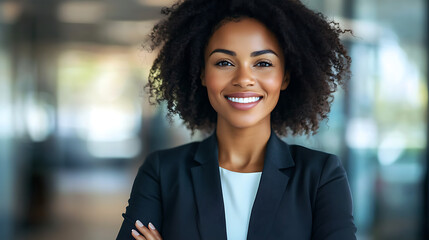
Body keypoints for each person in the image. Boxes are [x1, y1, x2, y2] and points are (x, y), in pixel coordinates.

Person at [116, 0, 356, 239]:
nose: (244, 79)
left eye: (263, 63)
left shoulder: (321, 175)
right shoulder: (162, 172)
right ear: (201, 74)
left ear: (284, 77)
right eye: (224, 62)